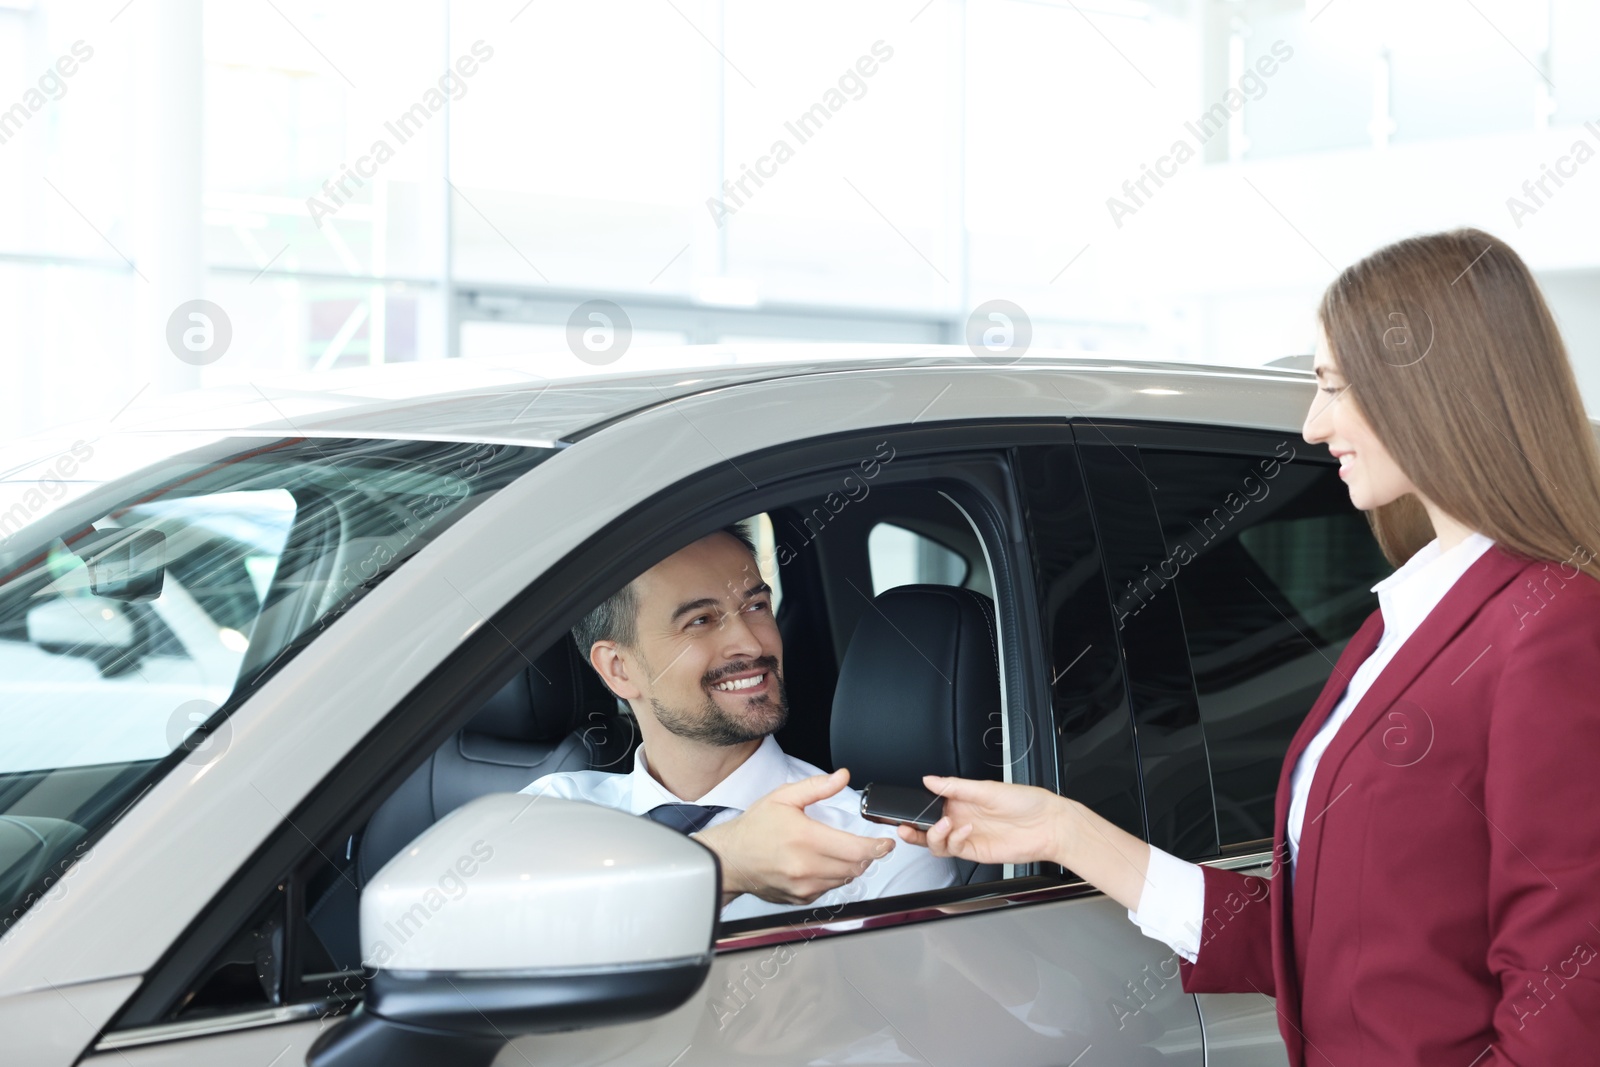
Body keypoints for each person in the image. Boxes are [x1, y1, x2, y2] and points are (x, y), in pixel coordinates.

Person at [900, 228, 1600, 1064]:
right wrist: (1063, 831)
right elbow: (1305, 944)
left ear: (1431, 390)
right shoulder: (1404, 615)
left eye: (1335, 387)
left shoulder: (1555, 623)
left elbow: (1567, 995)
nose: (1313, 424)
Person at [521, 523, 957, 921]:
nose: (750, 643)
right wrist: (720, 866)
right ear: (618, 668)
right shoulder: (553, 812)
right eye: (701, 620)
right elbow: (483, 940)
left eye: (756, 606)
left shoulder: (879, 846)